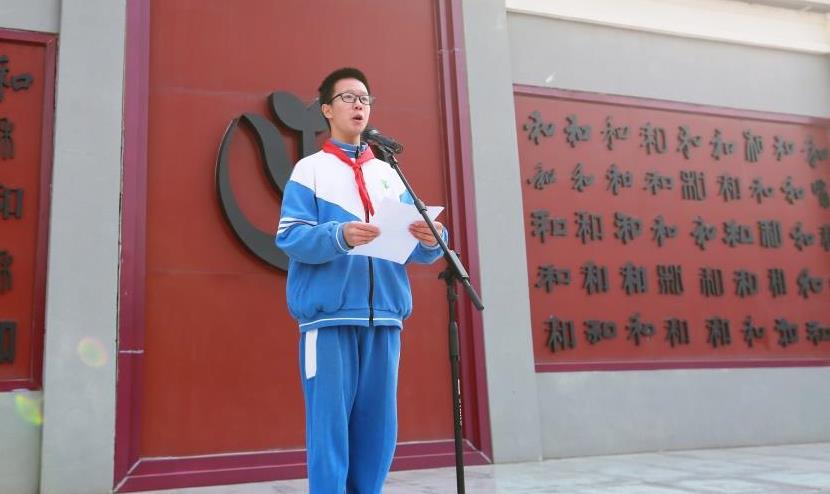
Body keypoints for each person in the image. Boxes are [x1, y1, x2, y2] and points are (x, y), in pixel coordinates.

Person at [275, 67, 447, 494]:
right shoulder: (309, 170)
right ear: (327, 110)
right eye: (348, 97)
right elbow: (290, 237)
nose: (358, 105)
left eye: (365, 98)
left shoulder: (390, 173)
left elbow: (412, 245)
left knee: (378, 430)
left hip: (385, 317)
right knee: (329, 430)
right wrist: (340, 235)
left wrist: (431, 240)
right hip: (329, 320)